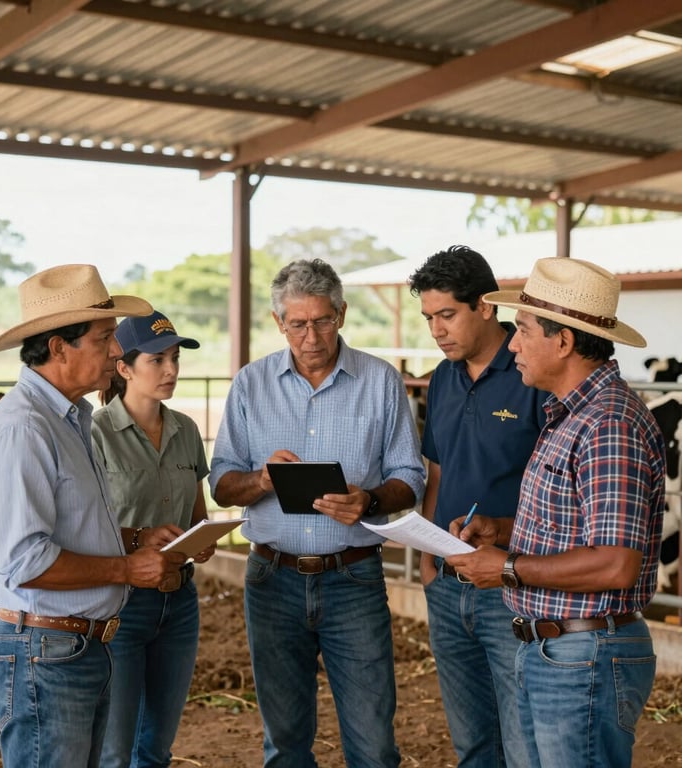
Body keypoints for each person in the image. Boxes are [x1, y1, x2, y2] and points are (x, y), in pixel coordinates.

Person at [446, 257, 667, 768]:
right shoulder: (571, 415)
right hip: (558, 648)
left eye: (522, 330)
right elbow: (573, 527)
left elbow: (616, 564)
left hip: (583, 651)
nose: (513, 344)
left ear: (563, 341)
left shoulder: (607, 424)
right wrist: (498, 532)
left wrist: (503, 568)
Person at [209, 258, 425, 768]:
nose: (311, 336)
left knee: (373, 741)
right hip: (271, 578)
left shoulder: (381, 382)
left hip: (353, 576)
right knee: (284, 742)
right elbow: (221, 483)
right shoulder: (250, 384)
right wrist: (261, 479)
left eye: (322, 321)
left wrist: (368, 500)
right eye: (298, 324)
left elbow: (410, 478)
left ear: (343, 314)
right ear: (278, 322)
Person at [0, 264, 187, 768]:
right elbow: (25, 560)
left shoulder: (68, 418)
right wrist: (127, 569)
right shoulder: (24, 428)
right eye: (104, 337)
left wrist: (135, 539)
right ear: (58, 347)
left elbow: (67, 527)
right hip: (45, 649)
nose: (117, 350)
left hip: (70, 645)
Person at [407, 245, 547, 768]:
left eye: (447, 315)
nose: (436, 330)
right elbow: (437, 471)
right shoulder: (441, 378)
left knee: (524, 742)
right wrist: (427, 563)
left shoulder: (532, 369)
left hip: (513, 585)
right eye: (428, 318)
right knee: (471, 745)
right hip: (449, 584)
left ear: (486, 306)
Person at [91, 310, 212, 768]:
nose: (172, 371)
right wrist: (141, 537)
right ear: (123, 367)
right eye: (157, 360)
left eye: (176, 359)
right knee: (114, 748)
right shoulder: (95, 433)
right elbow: (84, 528)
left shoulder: (186, 431)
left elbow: (197, 514)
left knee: (157, 748)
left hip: (179, 602)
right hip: (122, 603)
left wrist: (202, 540)